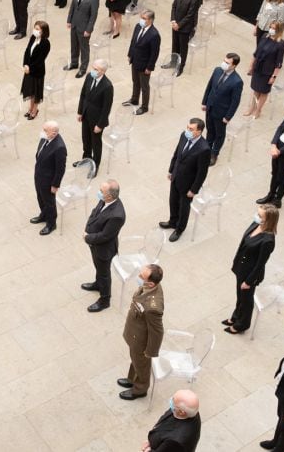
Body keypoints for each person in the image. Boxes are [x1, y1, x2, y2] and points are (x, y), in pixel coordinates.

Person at [225, 205, 278, 335]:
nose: (257, 217)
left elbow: (260, 264)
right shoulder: (256, 224)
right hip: (241, 267)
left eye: (260, 216)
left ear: (268, 220)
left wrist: (248, 282)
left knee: (246, 299)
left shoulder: (268, 241)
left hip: (249, 274)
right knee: (240, 296)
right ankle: (236, 316)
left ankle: (242, 324)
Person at [160, 118, 211, 241]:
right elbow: (177, 154)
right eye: (188, 127)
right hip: (176, 176)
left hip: (188, 184)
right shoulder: (184, 135)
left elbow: (202, 173)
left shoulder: (204, 149)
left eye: (191, 129)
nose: (188, 130)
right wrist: (171, 170)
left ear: (199, 131)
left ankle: (179, 229)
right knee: (173, 201)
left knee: (184, 207)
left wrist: (194, 190)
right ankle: (172, 221)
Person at [118, 264, 164, 400]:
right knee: (135, 360)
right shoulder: (149, 287)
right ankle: (132, 379)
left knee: (142, 364)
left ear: (150, 283)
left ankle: (140, 389)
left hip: (141, 340)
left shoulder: (153, 307)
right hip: (135, 334)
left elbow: (157, 332)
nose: (138, 277)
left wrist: (150, 351)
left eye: (141, 276)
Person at [82, 179, 125, 312]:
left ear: (110, 196)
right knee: (98, 267)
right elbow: (95, 212)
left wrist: (87, 237)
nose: (99, 193)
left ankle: (105, 299)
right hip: (95, 244)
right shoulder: (105, 200)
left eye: (101, 191)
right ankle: (98, 284)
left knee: (104, 273)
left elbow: (105, 236)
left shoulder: (117, 215)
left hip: (104, 249)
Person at [200, 53, 244, 165]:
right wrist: (204, 102)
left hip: (221, 112)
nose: (224, 64)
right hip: (210, 107)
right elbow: (209, 87)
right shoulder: (217, 70)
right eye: (224, 61)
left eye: (227, 63)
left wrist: (228, 117)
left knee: (219, 134)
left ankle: (214, 154)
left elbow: (235, 101)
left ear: (234, 65)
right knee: (210, 130)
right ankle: (207, 149)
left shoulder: (237, 81)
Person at [245, 20, 284, 118]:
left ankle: (258, 110)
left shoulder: (281, 44)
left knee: (263, 91)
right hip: (258, 67)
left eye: (274, 28)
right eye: (271, 27)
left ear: (279, 30)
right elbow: (256, 53)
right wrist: (251, 66)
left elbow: (279, 62)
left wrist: (274, 76)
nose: (271, 30)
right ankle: (252, 108)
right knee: (255, 89)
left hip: (268, 70)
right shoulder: (264, 36)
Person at [77, 59, 113, 173]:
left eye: (96, 69)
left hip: (97, 120)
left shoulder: (107, 86)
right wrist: (79, 111)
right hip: (86, 114)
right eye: (93, 68)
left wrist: (100, 125)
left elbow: (106, 108)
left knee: (95, 143)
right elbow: (83, 94)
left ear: (102, 71)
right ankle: (86, 158)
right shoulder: (89, 77)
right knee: (85, 139)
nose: (92, 71)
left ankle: (95, 165)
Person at [31, 120, 67, 235]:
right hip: (39, 175)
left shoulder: (59, 147)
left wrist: (55, 185)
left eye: (45, 130)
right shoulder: (45, 138)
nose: (43, 132)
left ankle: (51, 224)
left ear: (54, 133)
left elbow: (60, 169)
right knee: (40, 197)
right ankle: (44, 215)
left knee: (49, 202)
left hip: (48, 180)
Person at [125, 9, 160, 116]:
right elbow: (133, 41)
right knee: (135, 81)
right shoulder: (138, 26)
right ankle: (134, 99)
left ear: (150, 20)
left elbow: (154, 53)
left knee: (144, 86)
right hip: (135, 60)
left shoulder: (154, 35)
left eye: (144, 18)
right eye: (141, 17)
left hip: (144, 65)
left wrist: (149, 67)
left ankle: (144, 107)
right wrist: (130, 54)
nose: (141, 20)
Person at [65, 0, 99, 78]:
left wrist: (89, 29)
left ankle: (83, 68)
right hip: (74, 23)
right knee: (74, 45)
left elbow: (93, 16)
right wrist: (69, 20)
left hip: (84, 27)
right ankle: (74, 63)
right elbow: (73, 7)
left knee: (84, 48)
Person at [168, 0, 202, 76]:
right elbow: (174, 6)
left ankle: (180, 67)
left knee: (183, 48)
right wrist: (173, 21)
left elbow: (190, 15)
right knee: (175, 44)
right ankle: (173, 62)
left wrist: (179, 25)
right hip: (175, 24)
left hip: (185, 27)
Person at [21, 21, 51, 121]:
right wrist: (25, 64)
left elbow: (40, 59)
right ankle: (30, 108)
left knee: (36, 92)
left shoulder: (46, 43)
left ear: (43, 31)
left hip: (37, 71)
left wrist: (30, 68)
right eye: (35, 28)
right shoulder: (33, 37)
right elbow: (27, 51)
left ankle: (35, 110)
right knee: (31, 90)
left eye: (38, 29)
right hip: (28, 69)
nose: (35, 30)